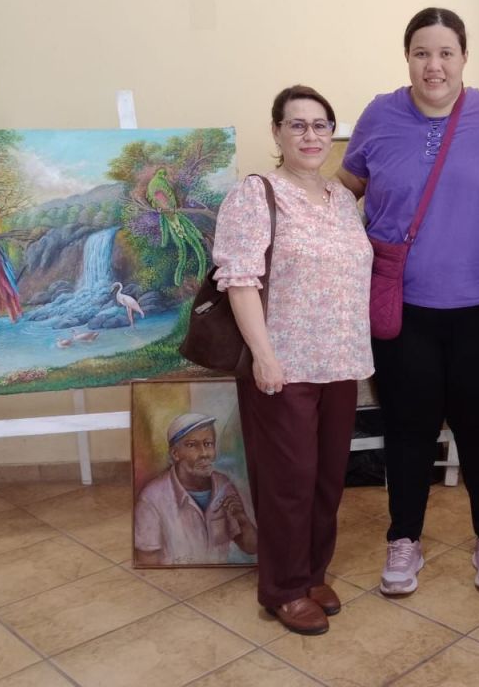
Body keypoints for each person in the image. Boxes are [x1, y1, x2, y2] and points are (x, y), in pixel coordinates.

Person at [337, 7, 479, 595]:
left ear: (465, 57)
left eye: (446, 53)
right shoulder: (379, 116)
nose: (434, 65)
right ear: (407, 58)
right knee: (408, 426)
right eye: (422, 53)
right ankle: (404, 539)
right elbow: (345, 192)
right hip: (403, 306)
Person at [212, 85, 373, 636]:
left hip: (340, 362)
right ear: (277, 132)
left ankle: (311, 572)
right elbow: (239, 280)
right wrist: (263, 355)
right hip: (283, 365)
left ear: (332, 134)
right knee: (289, 481)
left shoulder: (342, 200)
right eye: (297, 125)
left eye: (320, 125)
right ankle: (282, 587)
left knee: (327, 479)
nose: (310, 135)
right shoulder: (256, 194)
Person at [134, 413, 257, 566]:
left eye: (208, 444)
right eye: (192, 445)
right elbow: (147, 562)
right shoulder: (152, 498)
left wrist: (242, 519)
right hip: (176, 577)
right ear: (175, 454)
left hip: (216, 577)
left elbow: (251, 548)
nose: (204, 453)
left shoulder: (223, 485)